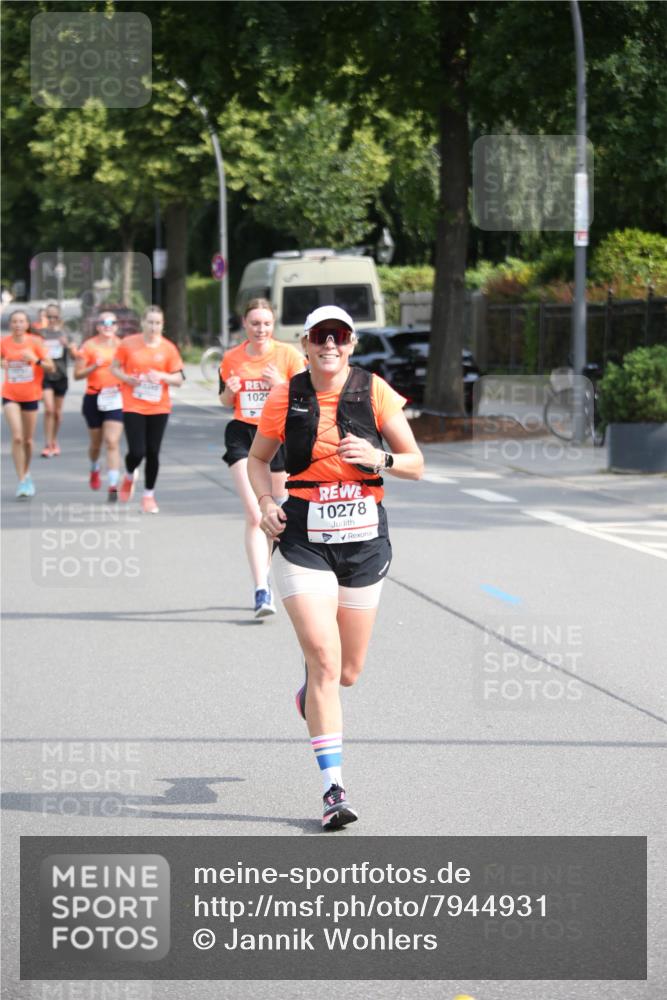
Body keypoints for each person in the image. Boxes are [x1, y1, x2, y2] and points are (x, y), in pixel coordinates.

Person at [248, 305, 423, 829]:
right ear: (305, 344)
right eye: (320, 336)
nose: (330, 345)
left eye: (340, 336)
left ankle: (311, 692)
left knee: (346, 672)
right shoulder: (287, 395)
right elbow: (259, 459)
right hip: (304, 536)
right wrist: (264, 505)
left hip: (364, 541)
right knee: (324, 658)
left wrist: (381, 459)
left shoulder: (375, 392)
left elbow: (416, 463)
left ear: (351, 344)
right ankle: (333, 791)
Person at [219, 298, 306, 618]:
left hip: (279, 436)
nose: (261, 329)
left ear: (273, 325)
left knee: (277, 516)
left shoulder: (288, 355)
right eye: (255, 323)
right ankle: (261, 589)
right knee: (256, 513)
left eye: (267, 323)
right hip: (243, 434)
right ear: (245, 324)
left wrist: (280, 386)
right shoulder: (231, 358)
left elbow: (305, 397)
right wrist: (230, 390)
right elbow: (225, 400)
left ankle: (274, 572)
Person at [111, 305, 183, 513]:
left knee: (153, 452)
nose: (153, 326)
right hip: (133, 404)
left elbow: (178, 379)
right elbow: (114, 368)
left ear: (163, 325)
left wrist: (162, 376)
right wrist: (127, 378)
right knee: (137, 451)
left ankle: (148, 496)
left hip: (159, 406)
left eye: (158, 323)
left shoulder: (168, 348)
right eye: (150, 322)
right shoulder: (128, 344)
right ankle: (128, 474)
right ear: (142, 323)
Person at [1, 309, 56, 497]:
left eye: (21, 321)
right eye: (14, 321)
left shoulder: (36, 342)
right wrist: (2, 363)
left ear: (27, 324)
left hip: (31, 396)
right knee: (17, 437)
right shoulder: (4, 342)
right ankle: (22, 480)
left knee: (27, 440)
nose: (17, 325)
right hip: (10, 395)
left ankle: (27, 472)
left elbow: (51, 367)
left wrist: (36, 360)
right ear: (10, 325)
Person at [74, 310, 123, 501]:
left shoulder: (122, 346)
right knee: (96, 444)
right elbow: (77, 375)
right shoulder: (89, 346)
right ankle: (94, 467)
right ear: (97, 326)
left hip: (116, 398)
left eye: (111, 322)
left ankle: (112, 485)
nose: (107, 325)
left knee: (112, 441)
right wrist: (94, 366)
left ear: (117, 326)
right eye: (103, 322)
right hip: (94, 397)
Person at [38, 302, 76, 457]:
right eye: (49, 316)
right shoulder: (40, 334)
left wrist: (67, 345)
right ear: (45, 317)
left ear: (59, 317)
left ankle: (54, 440)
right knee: (49, 409)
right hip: (45, 376)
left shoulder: (66, 333)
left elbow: (75, 356)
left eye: (55, 317)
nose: (52, 319)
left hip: (61, 376)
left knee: (58, 413)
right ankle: (47, 444)